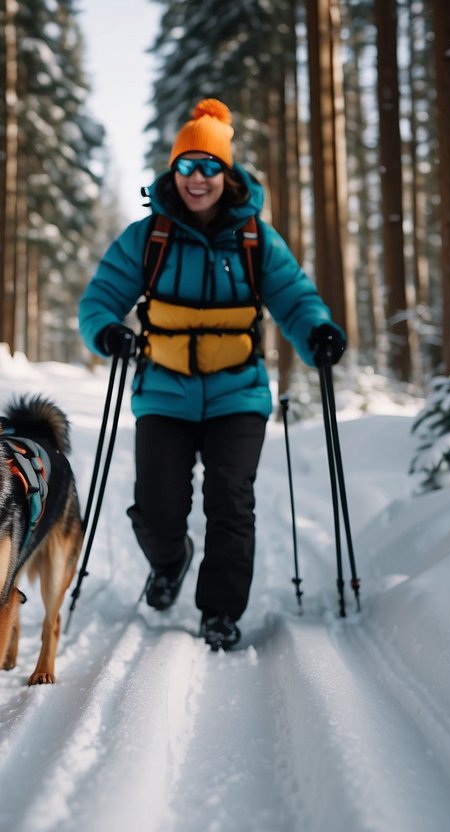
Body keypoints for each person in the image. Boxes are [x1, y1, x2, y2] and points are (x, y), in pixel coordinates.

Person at [78, 98, 346, 651]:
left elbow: (294, 297)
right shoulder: (149, 236)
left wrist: (316, 329)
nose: (198, 179)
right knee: (157, 509)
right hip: (163, 391)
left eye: (209, 167)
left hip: (237, 393)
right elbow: (100, 297)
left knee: (231, 498)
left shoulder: (255, 239)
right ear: (173, 171)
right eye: (187, 166)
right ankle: (171, 562)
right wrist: (106, 331)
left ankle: (220, 611)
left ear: (227, 173)